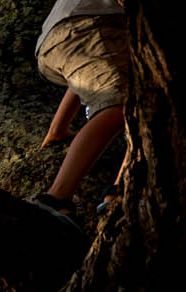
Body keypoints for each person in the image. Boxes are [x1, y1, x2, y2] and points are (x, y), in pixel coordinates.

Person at [31, 0, 130, 226]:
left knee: (137, 99)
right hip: (91, 22)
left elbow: (87, 78)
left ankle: (120, 189)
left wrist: (58, 128)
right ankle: (53, 200)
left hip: (56, 43)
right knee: (124, 105)